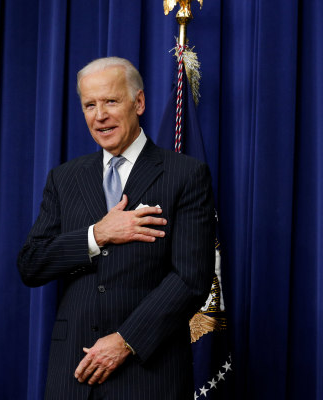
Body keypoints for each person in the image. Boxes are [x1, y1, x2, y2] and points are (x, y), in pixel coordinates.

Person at [17, 57, 215, 399]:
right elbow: (31, 264)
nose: (99, 115)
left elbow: (191, 279)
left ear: (138, 103)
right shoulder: (65, 178)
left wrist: (126, 340)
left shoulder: (185, 174)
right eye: (89, 105)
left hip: (149, 371)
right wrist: (97, 234)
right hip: (73, 374)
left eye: (110, 101)